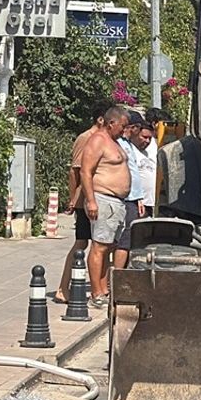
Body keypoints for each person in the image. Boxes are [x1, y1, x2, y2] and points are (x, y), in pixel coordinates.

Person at [56, 100, 113, 304]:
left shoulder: (103, 139)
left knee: (100, 243)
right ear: (100, 119)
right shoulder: (86, 138)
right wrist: (73, 199)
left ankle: (99, 286)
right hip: (84, 201)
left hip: (99, 199)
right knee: (81, 243)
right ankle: (63, 287)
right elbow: (76, 171)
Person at [80, 105, 131, 308]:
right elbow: (85, 172)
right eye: (123, 126)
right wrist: (91, 200)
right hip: (103, 199)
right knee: (99, 247)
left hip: (116, 203)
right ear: (111, 123)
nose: (125, 130)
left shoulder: (113, 141)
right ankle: (96, 293)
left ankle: (104, 289)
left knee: (109, 246)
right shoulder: (98, 141)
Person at [113, 111, 150, 270]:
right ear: (132, 127)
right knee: (124, 240)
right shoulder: (118, 143)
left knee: (129, 239)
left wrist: (139, 197)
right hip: (125, 199)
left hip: (134, 199)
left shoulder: (128, 144)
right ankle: (117, 276)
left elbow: (134, 173)